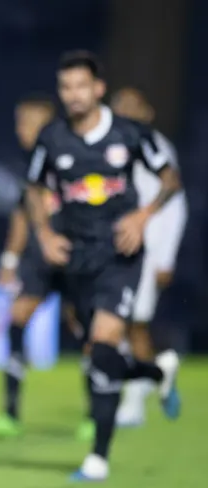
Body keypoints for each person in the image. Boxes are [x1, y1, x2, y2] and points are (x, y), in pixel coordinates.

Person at [25, 51, 182, 481]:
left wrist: (143, 216)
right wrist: (45, 234)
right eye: (66, 87)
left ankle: (98, 458)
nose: (74, 94)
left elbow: (170, 180)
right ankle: (156, 371)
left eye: (81, 86)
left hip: (120, 255)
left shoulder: (130, 133)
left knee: (105, 342)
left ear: (98, 88)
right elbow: (34, 187)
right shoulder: (52, 139)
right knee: (99, 356)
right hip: (75, 257)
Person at [0, 96, 76, 439]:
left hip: (75, 257)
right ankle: (10, 414)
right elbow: (21, 217)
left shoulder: (73, 159)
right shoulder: (29, 169)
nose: (21, 130)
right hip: (38, 261)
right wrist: (10, 260)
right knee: (17, 321)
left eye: (27, 123)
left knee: (87, 331)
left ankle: (97, 415)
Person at [110, 87, 188, 427]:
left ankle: (133, 402)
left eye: (132, 106)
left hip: (145, 250)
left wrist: (165, 257)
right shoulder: (110, 144)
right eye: (119, 106)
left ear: (147, 112)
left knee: (133, 325)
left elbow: (174, 204)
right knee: (111, 324)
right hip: (112, 249)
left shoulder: (156, 146)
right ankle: (155, 374)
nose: (124, 111)